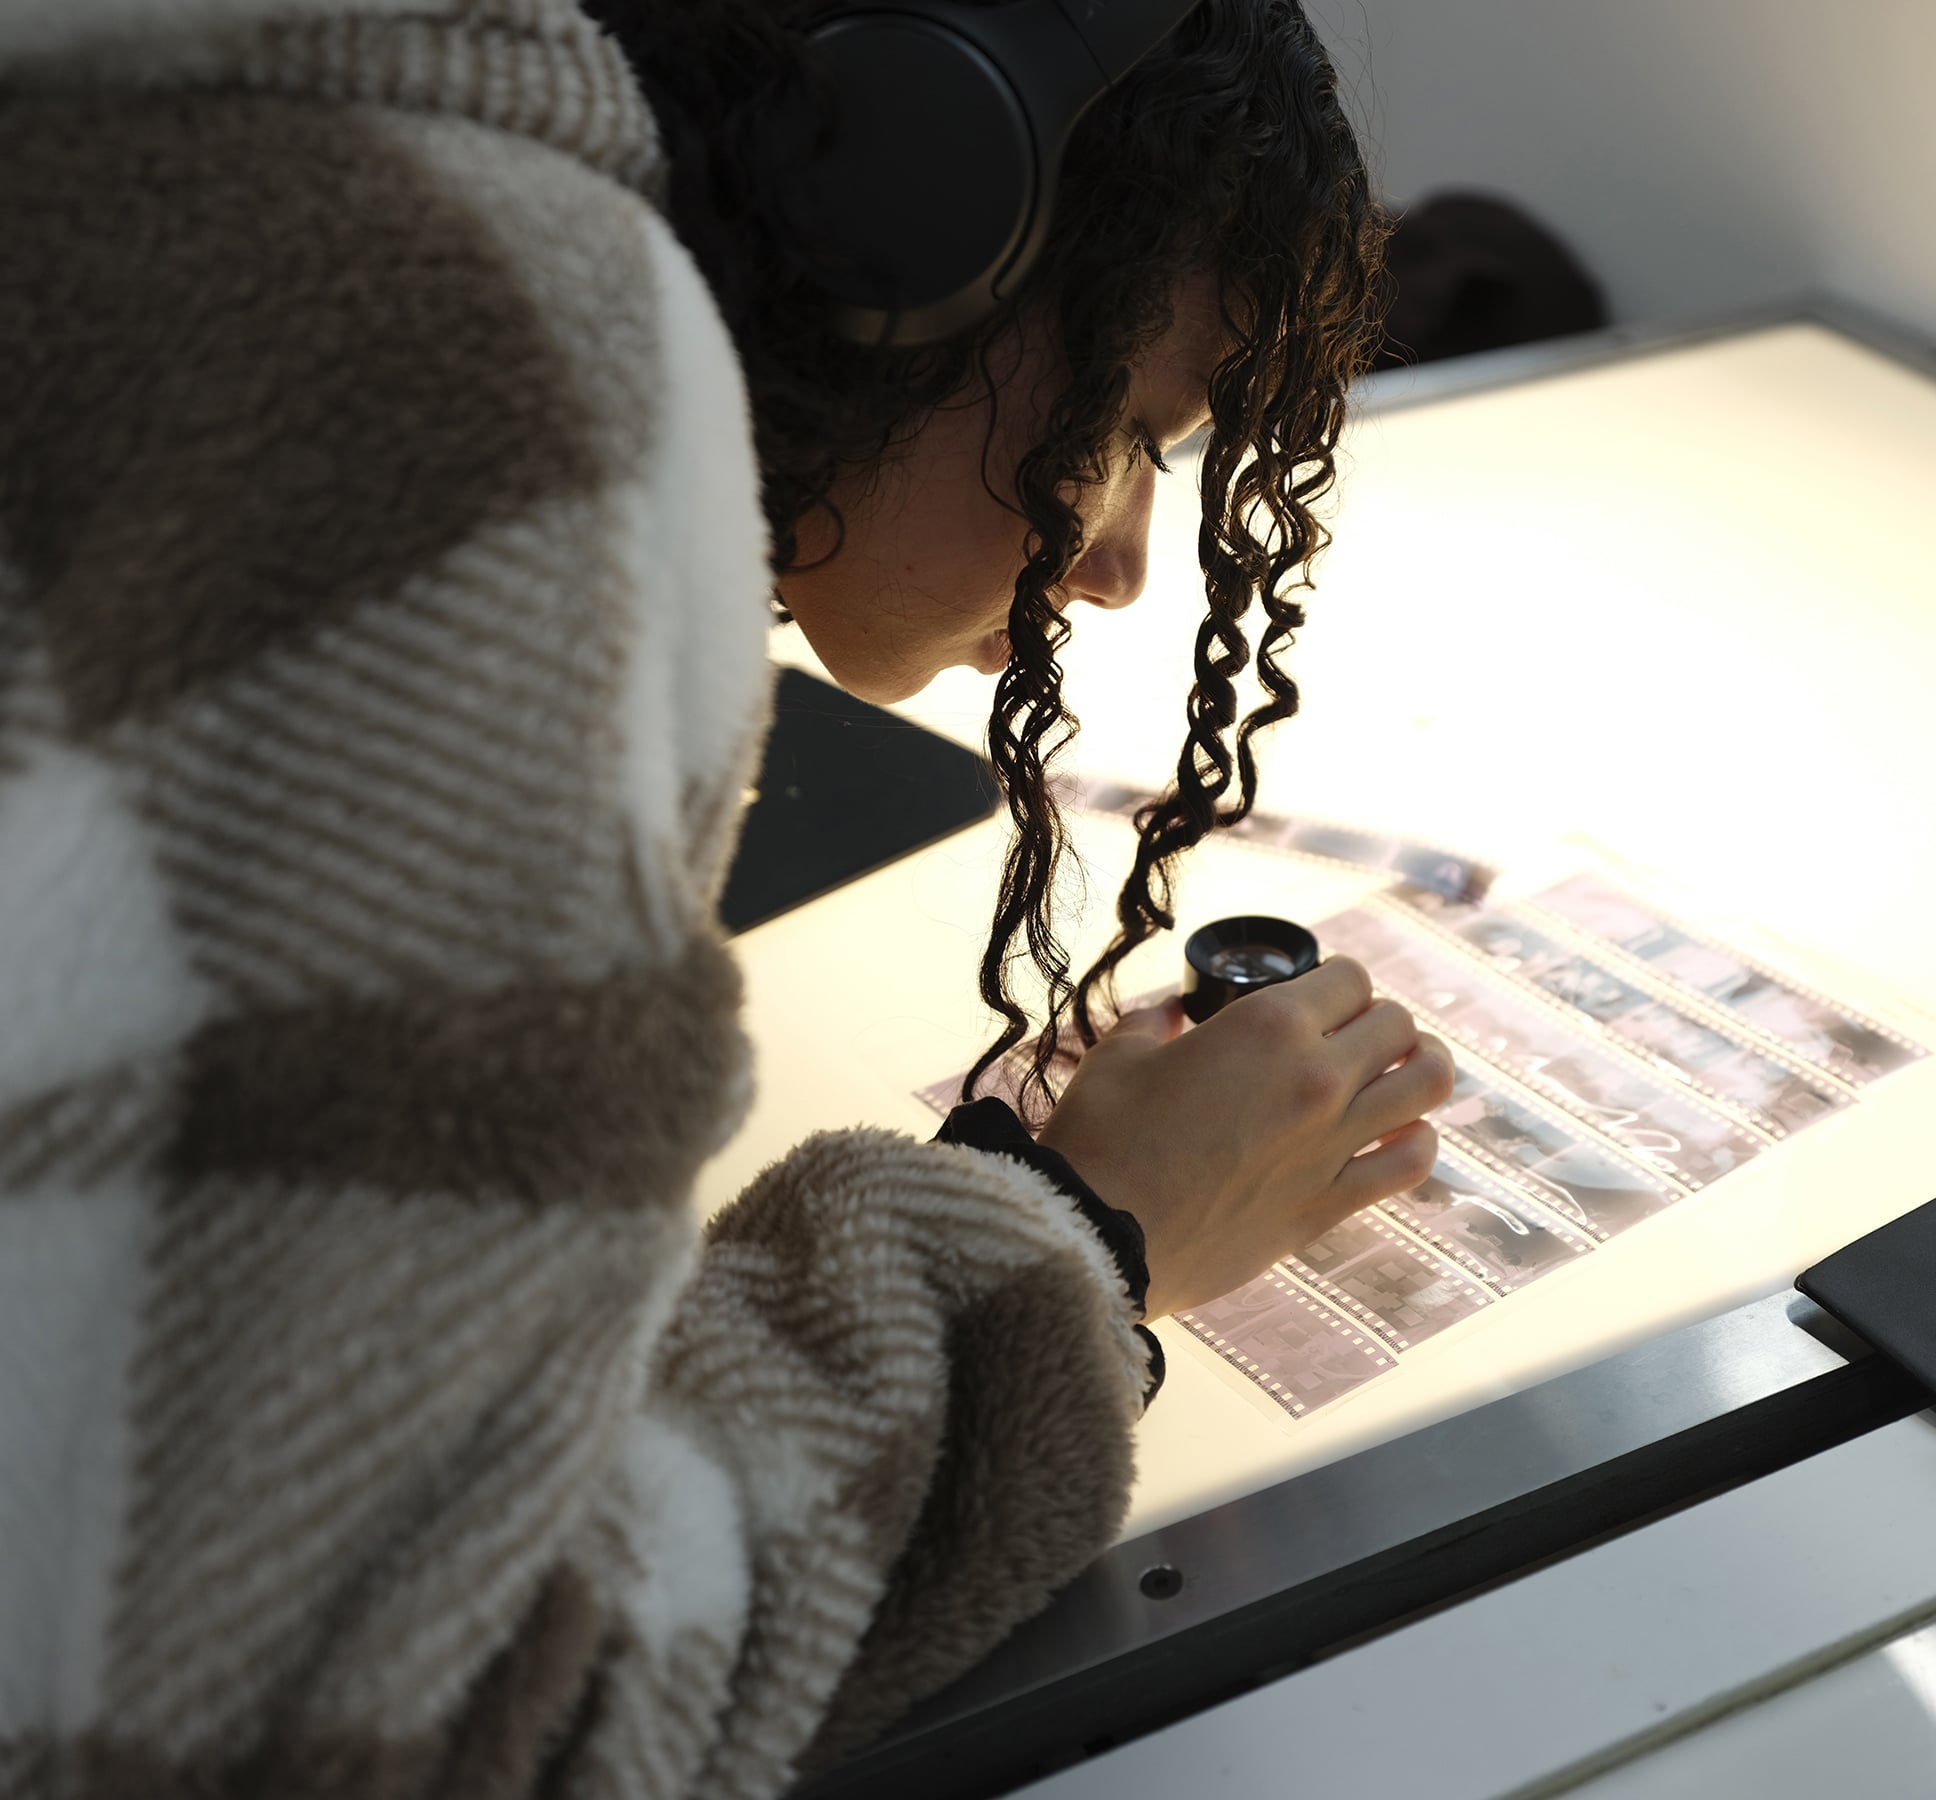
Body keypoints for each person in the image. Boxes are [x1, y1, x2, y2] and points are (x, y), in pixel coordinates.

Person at [0, 0, 1453, 1794]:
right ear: (917, 188)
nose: (1126, 563)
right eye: (1132, 422)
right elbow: (402, 1718)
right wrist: (1078, 1238)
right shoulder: (495, 403)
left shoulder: (220, 154)